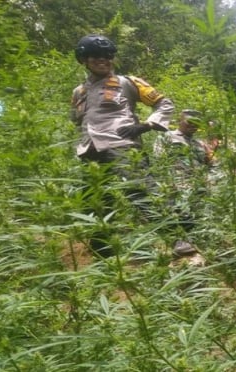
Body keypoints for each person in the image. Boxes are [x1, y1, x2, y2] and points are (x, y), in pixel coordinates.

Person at [70, 34, 174, 257]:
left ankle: (177, 238)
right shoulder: (78, 92)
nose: (102, 60)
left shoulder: (127, 82)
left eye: (107, 56)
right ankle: (102, 250)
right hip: (90, 149)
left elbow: (164, 103)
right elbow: (77, 120)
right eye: (95, 56)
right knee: (95, 199)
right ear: (84, 60)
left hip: (122, 144)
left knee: (141, 191)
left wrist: (146, 125)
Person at [153, 109, 219, 263]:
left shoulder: (200, 144)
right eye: (190, 122)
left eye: (197, 124)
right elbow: (160, 161)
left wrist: (211, 175)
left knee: (202, 214)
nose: (193, 126)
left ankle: (199, 243)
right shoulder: (166, 137)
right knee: (179, 211)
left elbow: (212, 164)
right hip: (176, 183)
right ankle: (179, 243)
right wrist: (169, 182)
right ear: (179, 120)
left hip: (199, 185)